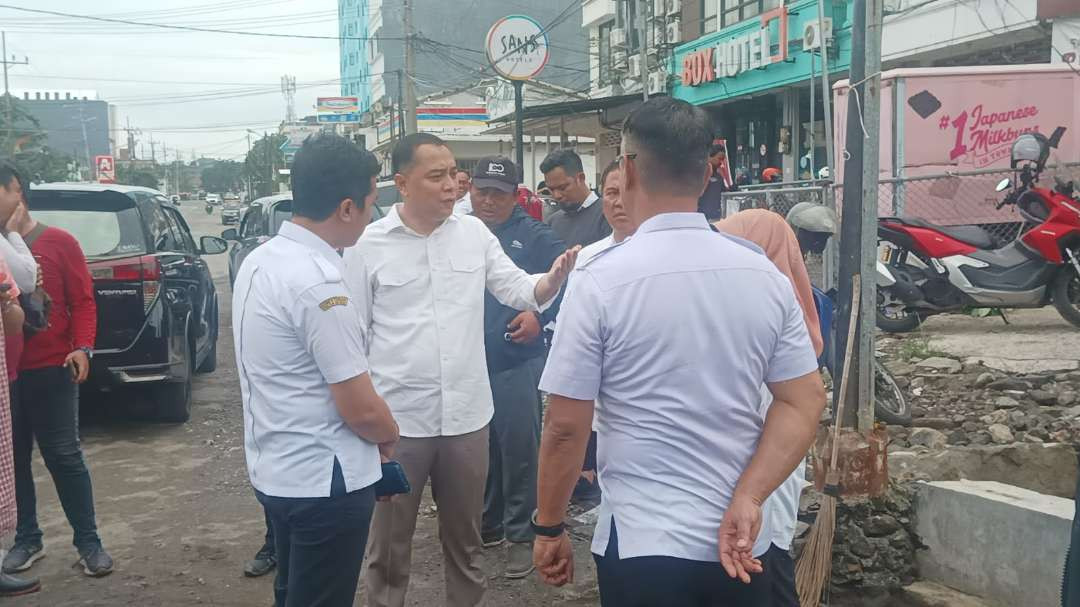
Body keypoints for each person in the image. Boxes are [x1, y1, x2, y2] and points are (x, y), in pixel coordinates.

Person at [531, 96, 827, 605]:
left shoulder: (601, 280)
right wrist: (751, 495)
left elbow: (565, 425)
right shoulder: (761, 273)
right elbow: (805, 399)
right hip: (743, 539)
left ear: (628, 168)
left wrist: (549, 525)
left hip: (646, 541)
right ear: (709, 171)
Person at [344, 133, 578, 607]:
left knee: (466, 544)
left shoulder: (474, 235)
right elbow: (353, 337)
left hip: (467, 418)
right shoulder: (367, 246)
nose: (452, 185)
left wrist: (549, 281)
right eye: (437, 176)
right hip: (398, 424)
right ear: (402, 184)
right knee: (388, 549)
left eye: (453, 174)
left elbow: (515, 286)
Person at [234, 133, 399, 607]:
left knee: (294, 594)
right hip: (324, 482)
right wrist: (389, 435)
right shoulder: (321, 283)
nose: (371, 217)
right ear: (347, 208)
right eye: (370, 204)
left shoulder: (263, 259)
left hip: (278, 468)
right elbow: (360, 409)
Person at [3, 170, 113, 579]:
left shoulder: (60, 242)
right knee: (12, 460)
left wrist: (82, 347)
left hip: (52, 368)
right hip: (6, 375)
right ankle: (26, 539)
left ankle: (89, 542)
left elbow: (84, 300)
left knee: (64, 456)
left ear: (18, 192)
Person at [715, 209, 825, 607]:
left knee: (771, 564)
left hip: (762, 487)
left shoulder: (771, 306)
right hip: (752, 493)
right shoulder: (766, 305)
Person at [471, 156, 566, 579]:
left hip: (514, 361)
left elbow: (570, 279)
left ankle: (521, 535)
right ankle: (487, 525)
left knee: (519, 450)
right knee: (481, 450)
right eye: (481, 191)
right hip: (469, 365)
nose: (488, 201)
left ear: (515, 196)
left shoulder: (535, 236)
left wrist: (540, 317)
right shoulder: (460, 234)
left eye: (498, 193)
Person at [540, 148, 611, 248]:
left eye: (562, 187)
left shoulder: (609, 214)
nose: (557, 195)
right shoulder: (552, 222)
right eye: (551, 189)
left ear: (581, 178)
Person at [697, 143, 733, 221]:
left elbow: (724, 193)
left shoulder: (719, 177)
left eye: (722, 159)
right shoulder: (699, 173)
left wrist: (732, 189)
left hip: (715, 218)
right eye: (719, 158)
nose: (721, 162)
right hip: (700, 217)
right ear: (710, 156)